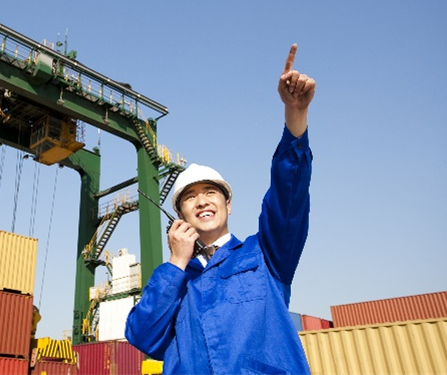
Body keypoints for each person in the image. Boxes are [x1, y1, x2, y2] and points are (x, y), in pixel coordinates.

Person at [125, 44, 315, 375]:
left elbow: (289, 198)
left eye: (210, 192)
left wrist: (295, 117)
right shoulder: (174, 279)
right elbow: (143, 336)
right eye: (190, 197)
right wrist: (176, 263)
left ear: (228, 204)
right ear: (181, 216)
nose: (201, 201)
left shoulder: (266, 256)